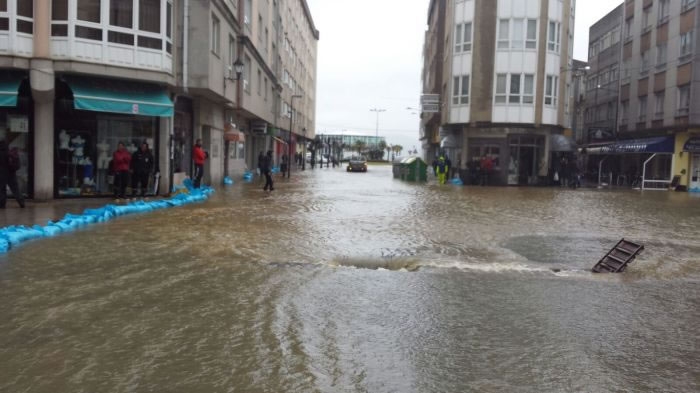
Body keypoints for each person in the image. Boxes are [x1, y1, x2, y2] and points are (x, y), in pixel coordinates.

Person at [0, 141, 25, 208]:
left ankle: (2, 204)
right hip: (11, 174)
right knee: (15, 189)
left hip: (2, 174)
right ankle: (21, 202)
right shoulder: (10, 153)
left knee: (2, 189)